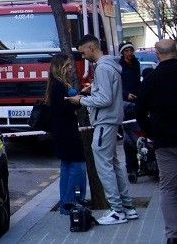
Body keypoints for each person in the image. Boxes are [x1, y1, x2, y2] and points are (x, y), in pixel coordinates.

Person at [68, 35, 138, 225]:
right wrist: (93, 90)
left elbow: (105, 100)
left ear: (91, 48)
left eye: (83, 52)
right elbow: (107, 94)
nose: (83, 56)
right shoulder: (110, 66)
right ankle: (128, 208)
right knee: (113, 165)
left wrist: (81, 100)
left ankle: (117, 211)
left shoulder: (104, 68)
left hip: (105, 121)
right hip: (111, 120)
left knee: (105, 167)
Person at [136, 38, 177, 244]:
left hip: (165, 142)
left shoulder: (151, 79)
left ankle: (173, 236)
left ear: (158, 55)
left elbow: (139, 112)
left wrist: (150, 132)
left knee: (168, 189)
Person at [44, 53, 88, 214]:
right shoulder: (59, 86)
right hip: (67, 131)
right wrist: (81, 98)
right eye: (68, 65)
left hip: (60, 131)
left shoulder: (54, 84)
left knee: (67, 166)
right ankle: (72, 202)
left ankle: (66, 204)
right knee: (77, 166)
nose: (70, 68)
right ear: (60, 67)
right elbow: (66, 109)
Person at [118, 42, 142, 182]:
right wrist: (126, 95)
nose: (129, 53)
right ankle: (131, 169)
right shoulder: (119, 66)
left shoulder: (136, 64)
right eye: (126, 51)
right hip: (126, 104)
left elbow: (138, 82)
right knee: (129, 139)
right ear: (122, 53)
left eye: (131, 50)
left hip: (137, 103)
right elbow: (118, 85)